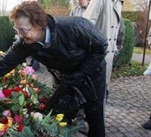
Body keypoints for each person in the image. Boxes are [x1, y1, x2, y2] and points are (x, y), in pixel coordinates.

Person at [0, 1, 108, 137]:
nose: (20, 35)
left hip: (92, 74)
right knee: (59, 116)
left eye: (24, 30)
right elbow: (2, 64)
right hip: (65, 78)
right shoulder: (26, 43)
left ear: (39, 25)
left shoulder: (74, 27)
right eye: (17, 30)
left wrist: (81, 73)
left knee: (94, 116)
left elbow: (101, 47)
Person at [82, 0, 122, 99]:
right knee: (89, 98)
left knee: (101, 97)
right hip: (95, 59)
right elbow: (85, 27)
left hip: (106, 59)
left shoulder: (118, 3)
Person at [69, 0, 91, 135]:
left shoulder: (97, 6)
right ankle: (78, 117)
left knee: (94, 88)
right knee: (78, 85)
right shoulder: (75, 9)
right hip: (78, 53)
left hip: (93, 52)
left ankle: (91, 115)